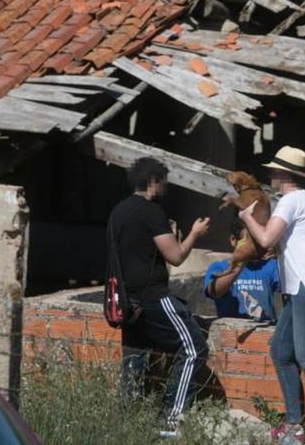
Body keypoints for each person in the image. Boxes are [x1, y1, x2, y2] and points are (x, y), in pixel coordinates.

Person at [239, 146, 305, 445]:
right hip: (300, 287)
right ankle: (293, 424)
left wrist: (246, 217)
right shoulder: (298, 200)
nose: (270, 174)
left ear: (284, 174)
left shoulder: (290, 201)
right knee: (281, 351)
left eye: (273, 170)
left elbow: (265, 239)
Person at [107, 157, 211, 433]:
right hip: (153, 297)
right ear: (154, 181)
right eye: (164, 180)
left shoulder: (118, 211)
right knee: (194, 349)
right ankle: (171, 420)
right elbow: (175, 256)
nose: (167, 186)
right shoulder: (151, 211)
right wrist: (194, 234)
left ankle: (126, 425)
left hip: (128, 302)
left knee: (134, 361)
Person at [203, 220, 281, 322]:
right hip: (232, 334)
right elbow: (213, 291)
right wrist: (239, 263)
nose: (255, 247)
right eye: (250, 241)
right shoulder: (219, 267)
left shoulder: (269, 266)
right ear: (233, 240)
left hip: (265, 333)